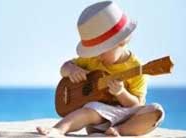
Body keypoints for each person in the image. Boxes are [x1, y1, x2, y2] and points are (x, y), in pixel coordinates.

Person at [36, 1, 165, 137]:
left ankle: (118, 131)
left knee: (156, 111)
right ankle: (59, 129)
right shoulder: (92, 59)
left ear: (122, 41)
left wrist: (121, 92)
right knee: (90, 109)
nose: (97, 55)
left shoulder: (138, 68)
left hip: (126, 118)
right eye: (94, 51)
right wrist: (72, 70)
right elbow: (64, 68)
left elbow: (135, 105)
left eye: (101, 50)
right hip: (98, 117)